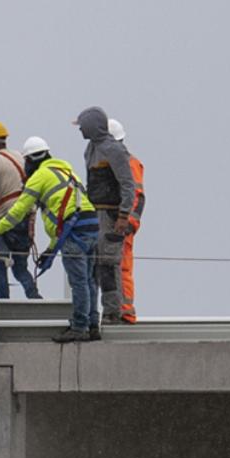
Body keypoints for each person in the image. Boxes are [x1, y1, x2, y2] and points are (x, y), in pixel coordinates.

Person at [0, 137, 101, 342]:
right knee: (89, 280)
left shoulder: (39, 177)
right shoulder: (66, 169)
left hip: (74, 230)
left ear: (30, 160)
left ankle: (79, 328)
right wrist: (50, 251)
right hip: (91, 226)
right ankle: (93, 325)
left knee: (78, 281)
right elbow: (65, 214)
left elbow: (19, 210)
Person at [74, 107, 136, 325]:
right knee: (93, 266)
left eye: (82, 125)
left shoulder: (114, 150)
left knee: (109, 264)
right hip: (93, 215)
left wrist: (123, 216)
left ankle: (113, 312)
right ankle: (96, 312)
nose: (80, 129)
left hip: (110, 216)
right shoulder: (91, 149)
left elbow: (128, 185)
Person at [0, 121, 42, 299]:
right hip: (28, 216)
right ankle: (34, 297)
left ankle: (3, 304)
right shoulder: (21, 156)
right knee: (20, 267)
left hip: (8, 217)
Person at [109, 118, 145, 323]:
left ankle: (125, 311)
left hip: (122, 226)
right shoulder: (115, 161)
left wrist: (128, 222)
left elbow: (138, 196)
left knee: (121, 267)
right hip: (114, 223)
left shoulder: (129, 163)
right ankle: (117, 309)